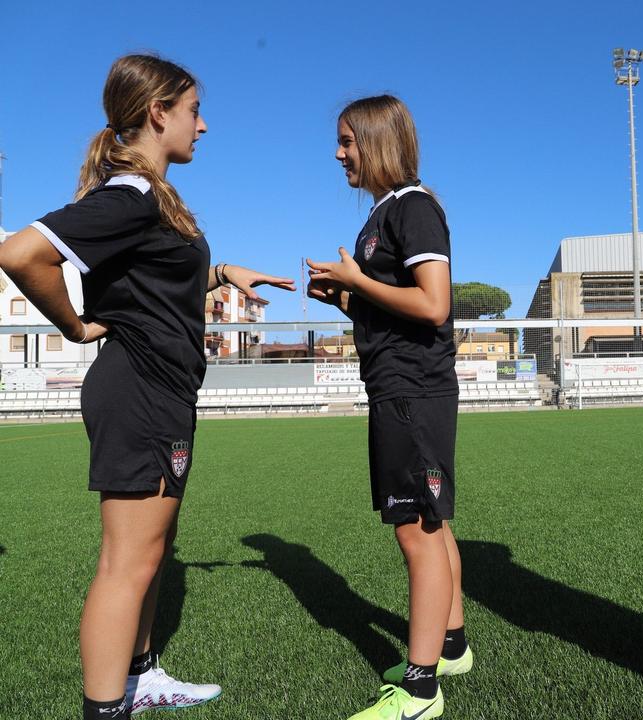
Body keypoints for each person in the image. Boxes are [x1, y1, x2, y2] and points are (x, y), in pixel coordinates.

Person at [0, 54, 294, 720]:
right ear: (159, 113)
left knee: (152, 551)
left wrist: (222, 274)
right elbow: (20, 253)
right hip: (139, 389)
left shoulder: (150, 198)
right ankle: (105, 708)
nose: (203, 125)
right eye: (194, 110)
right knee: (128, 561)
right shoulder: (130, 195)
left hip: (159, 390)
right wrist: (74, 325)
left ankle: (141, 676)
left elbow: (154, 282)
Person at [306, 94, 470, 720]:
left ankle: (421, 690)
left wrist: (358, 280)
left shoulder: (414, 207)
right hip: (397, 387)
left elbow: (434, 304)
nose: (338, 153)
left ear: (377, 142)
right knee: (435, 523)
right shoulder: (381, 214)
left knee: (417, 529)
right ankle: (451, 647)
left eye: (347, 141)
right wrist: (345, 298)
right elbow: (391, 305)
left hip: (413, 390)